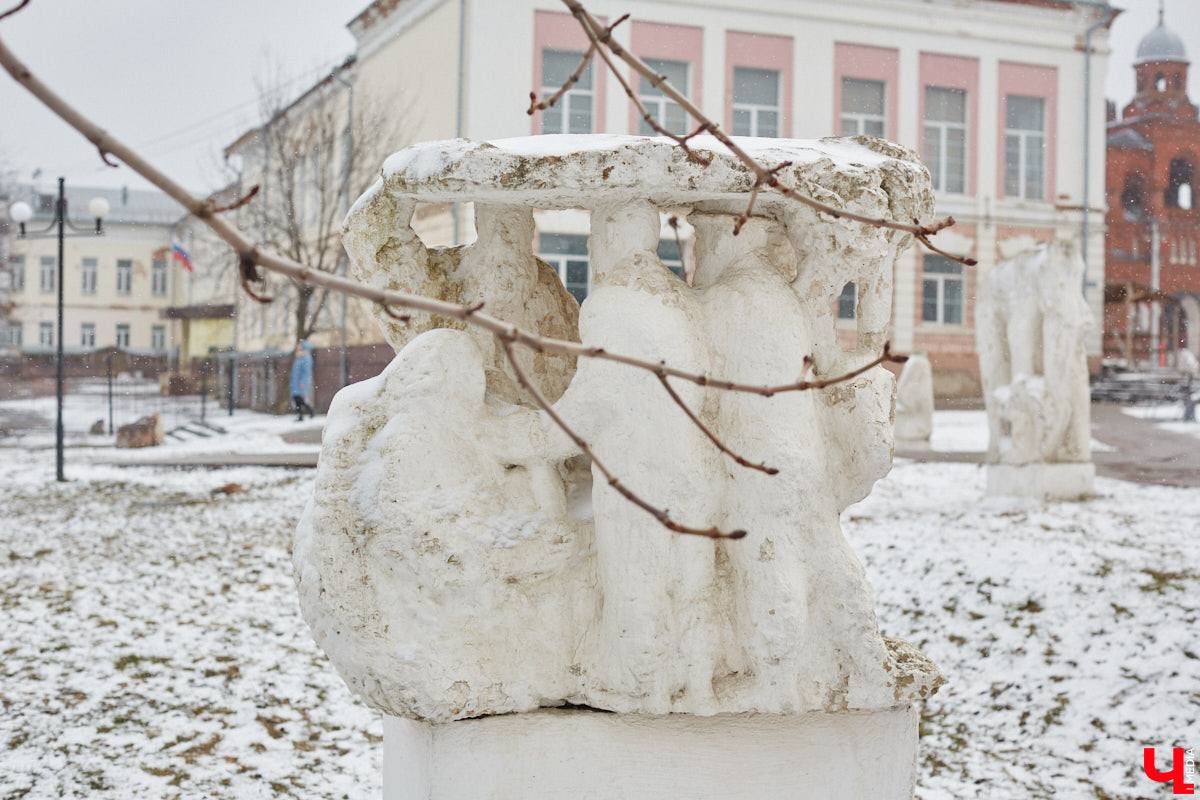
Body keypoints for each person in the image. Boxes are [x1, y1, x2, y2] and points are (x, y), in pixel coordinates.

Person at [289, 339, 315, 421]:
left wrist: (303, 382)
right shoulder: (300, 357)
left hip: (300, 382)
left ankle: (307, 412)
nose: (298, 346)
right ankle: (304, 414)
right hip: (296, 382)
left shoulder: (306, 357)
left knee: (299, 398)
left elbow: (306, 371)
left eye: (299, 345)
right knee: (297, 399)